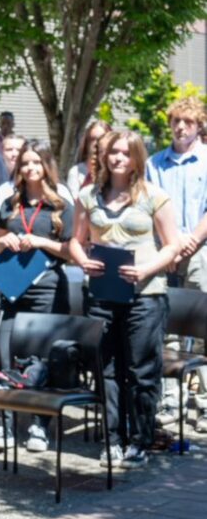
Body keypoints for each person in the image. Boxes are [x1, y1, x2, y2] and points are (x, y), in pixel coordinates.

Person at [68, 130, 180, 469]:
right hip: (103, 294)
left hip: (145, 295)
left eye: (125, 153)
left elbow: (172, 246)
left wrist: (146, 269)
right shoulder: (88, 196)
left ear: (136, 158)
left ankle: (141, 440)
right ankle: (113, 439)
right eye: (112, 152)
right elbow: (76, 240)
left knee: (141, 370)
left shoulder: (154, 196)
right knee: (108, 370)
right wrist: (82, 260)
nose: (118, 158)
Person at [0, 141, 73, 453]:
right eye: (25, 162)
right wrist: (6, 241)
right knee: (6, 350)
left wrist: (39, 241)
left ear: (47, 165)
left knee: (43, 356)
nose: (30, 168)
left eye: (36, 162)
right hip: (13, 287)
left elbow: (72, 251)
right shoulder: (10, 203)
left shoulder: (61, 206)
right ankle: (5, 423)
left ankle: (40, 424)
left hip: (48, 287)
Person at [145, 97, 207, 430]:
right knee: (166, 326)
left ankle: (203, 404)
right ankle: (171, 400)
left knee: (201, 327)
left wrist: (192, 240)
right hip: (164, 252)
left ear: (199, 125)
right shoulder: (155, 163)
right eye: (175, 121)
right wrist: (170, 246)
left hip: (200, 251)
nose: (180, 127)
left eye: (187, 121)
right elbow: (149, 206)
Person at [66, 119, 111, 196]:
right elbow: (73, 204)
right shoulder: (76, 172)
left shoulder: (114, 170)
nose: (96, 143)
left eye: (101, 138)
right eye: (92, 139)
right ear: (86, 142)